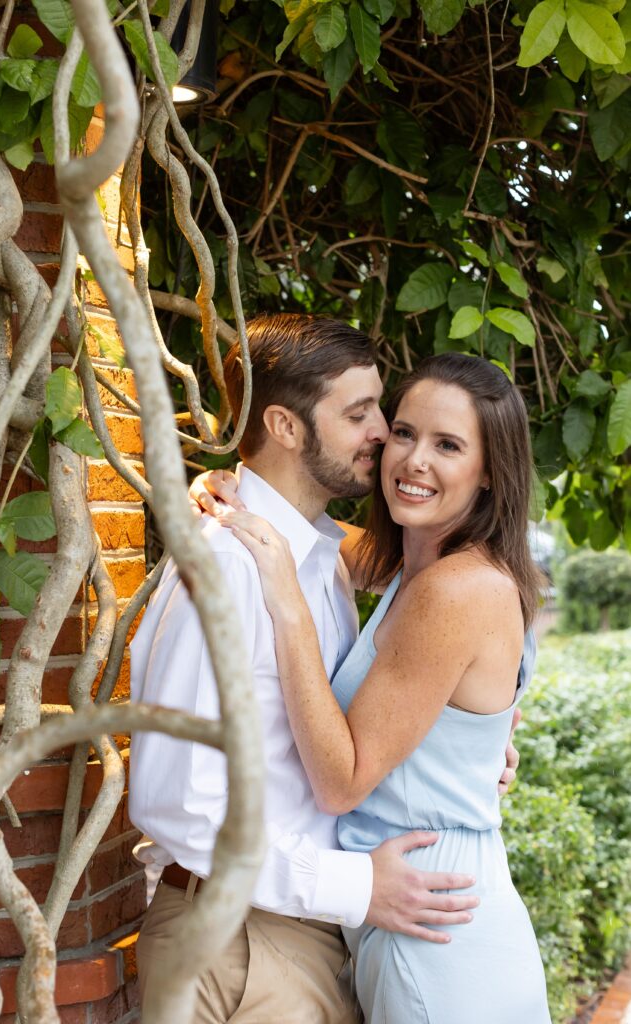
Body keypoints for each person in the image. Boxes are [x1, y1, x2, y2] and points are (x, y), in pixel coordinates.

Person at [129, 316, 518, 1023]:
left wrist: (470, 747)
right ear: (284, 425)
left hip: (341, 924)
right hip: (243, 935)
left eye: (384, 415)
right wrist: (348, 886)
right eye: (366, 416)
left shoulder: (313, 560)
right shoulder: (236, 564)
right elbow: (177, 801)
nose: (384, 439)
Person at [214, 352, 551, 1023]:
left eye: (447, 445)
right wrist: (236, 493)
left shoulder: (456, 590)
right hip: (417, 904)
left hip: (435, 931)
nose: (413, 461)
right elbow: (320, 539)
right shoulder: (417, 563)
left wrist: (287, 604)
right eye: (404, 433)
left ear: (488, 474)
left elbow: (342, 782)